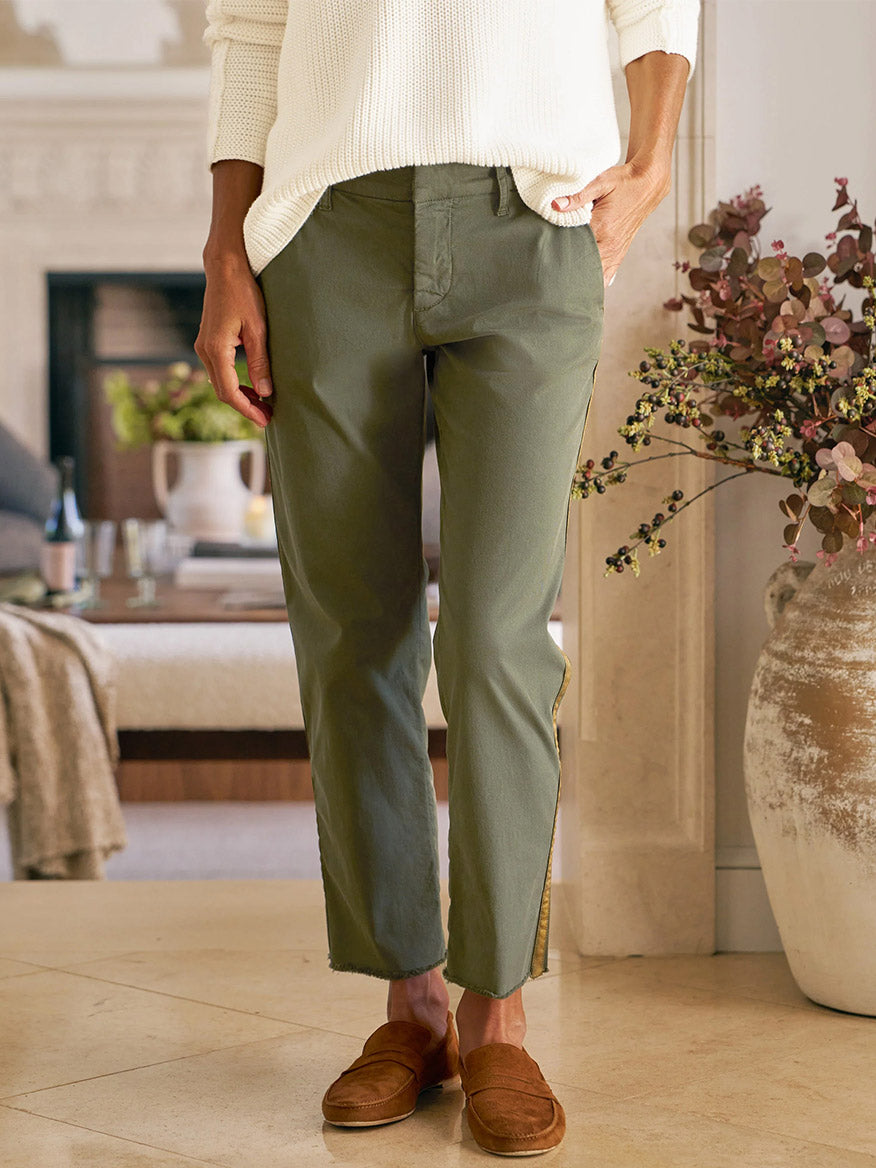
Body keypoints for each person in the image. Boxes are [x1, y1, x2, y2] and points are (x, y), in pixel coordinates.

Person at [196, 0, 699, 1155]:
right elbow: (250, 28)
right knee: (351, 630)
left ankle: (498, 1012)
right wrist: (229, 244)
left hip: (532, 218)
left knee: (496, 637)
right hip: (328, 227)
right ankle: (409, 1002)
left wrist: (653, 158)